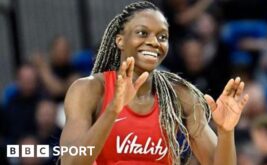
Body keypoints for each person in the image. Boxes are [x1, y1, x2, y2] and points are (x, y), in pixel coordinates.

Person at [60, 1, 249, 165]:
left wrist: (225, 132)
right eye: (142, 33)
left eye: (162, 37)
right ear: (120, 40)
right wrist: (112, 111)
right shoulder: (89, 90)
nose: (154, 42)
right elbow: (70, 161)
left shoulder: (180, 95)